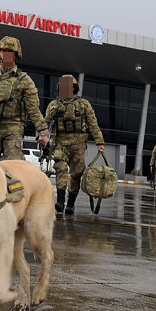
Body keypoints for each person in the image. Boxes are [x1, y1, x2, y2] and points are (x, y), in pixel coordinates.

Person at [44, 75, 105, 214]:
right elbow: (45, 122)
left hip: (79, 143)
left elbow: (92, 123)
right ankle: (60, 202)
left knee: (77, 173)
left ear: (74, 88)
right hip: (61, 142)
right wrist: (43, 135)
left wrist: (99, 142)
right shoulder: (54, 105)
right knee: (61, 169)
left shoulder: (84, 104)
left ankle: (71, 203)